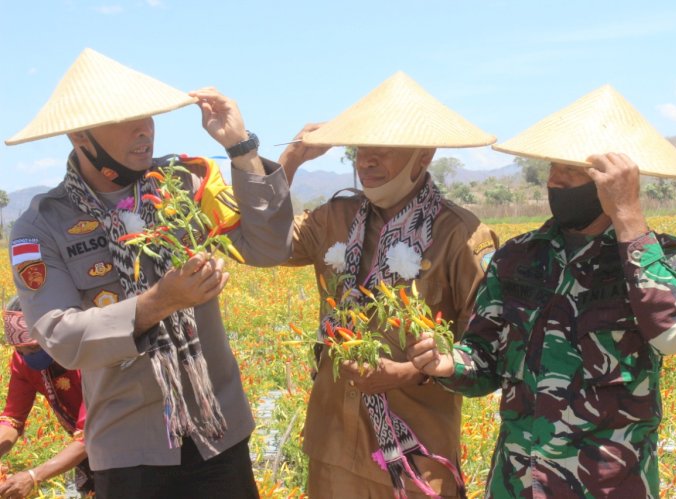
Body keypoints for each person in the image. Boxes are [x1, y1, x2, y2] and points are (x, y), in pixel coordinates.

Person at [5, 48, 293, 498]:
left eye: (148, 116)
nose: (145, 129)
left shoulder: (186, 185)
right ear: (81, 135)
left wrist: (241, 149)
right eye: (125, 119)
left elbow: (270, 247)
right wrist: (161, 301)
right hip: (130, 452)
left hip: (220, 434)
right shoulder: (43, 227)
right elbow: (61, 337)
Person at [407, 84, 676, 498]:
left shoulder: (659, 257)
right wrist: (445, 363)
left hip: (607, 484)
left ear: (613, 181)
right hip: (518, 482)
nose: (555, 181)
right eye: (552, 168)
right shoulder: (518, 257)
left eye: (573, 171)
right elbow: (484, 358)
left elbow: (674, 335)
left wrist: (629, 216)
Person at [279, 71, 499, 498]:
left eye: (385, 149)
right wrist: (291, 159)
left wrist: (411, 372)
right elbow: (262, 244)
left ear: (425, 155)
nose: (367, 160)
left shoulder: (461, 236)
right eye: (361, 148)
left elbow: (488, 352)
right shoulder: (333, 218)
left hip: (415, 461)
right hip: (333, 447)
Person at [0, 296, 93, 498]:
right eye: (21, 350)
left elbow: (92, 432)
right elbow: (13, 419)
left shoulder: (87, 356)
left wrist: (34, 476)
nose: (27, 355)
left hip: (125, 445)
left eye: (34, 347)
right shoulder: (23, 361)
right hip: (87, 452)